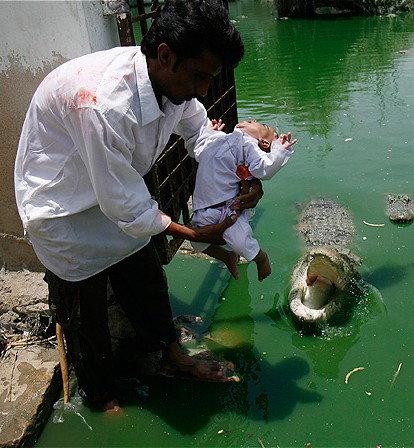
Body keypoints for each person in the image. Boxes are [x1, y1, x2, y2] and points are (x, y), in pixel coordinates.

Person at [14, 0, 263, 412]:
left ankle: (170, 353)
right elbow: (124, 203)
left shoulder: (174, 86)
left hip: (115, 191)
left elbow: (201, 136)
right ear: (165, 54)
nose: (203, 90)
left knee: (147, 281)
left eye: (209, 79)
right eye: (199, 77)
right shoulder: (102, 103)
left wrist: (245, 174)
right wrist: (194, 235)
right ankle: (101, 397)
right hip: (63, 210)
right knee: (85, 316)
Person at [191, 119, 297, 281]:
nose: (253, 120)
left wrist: (279, 150)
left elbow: (264, 168)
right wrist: (209, 132)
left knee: (240, 241)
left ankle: (261, 258)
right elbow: (199, 150)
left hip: (228, 208)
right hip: (204, 207)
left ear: (261, 141)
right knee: (196, 242)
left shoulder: (247, 145)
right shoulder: (220, 138)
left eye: (261, 125)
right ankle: (227, 257)